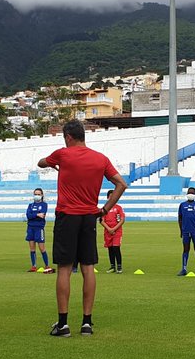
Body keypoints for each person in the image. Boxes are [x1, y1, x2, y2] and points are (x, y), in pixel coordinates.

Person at [38, 119, 127, 337]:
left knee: (65, 269)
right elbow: (121, 184)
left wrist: (52, 163)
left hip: (67, 216)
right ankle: (87, 323)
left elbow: (41, 162)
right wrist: (105, 209)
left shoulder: (63, 154)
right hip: (89, 217)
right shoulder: (100, 158)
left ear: (68, 137)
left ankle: (63, 324)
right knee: (88, 268)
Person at [178, 187, 195, 277]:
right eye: (189, 192)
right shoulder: (182, 205)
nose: (191, 194)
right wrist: (181, 230)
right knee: (185, 249)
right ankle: (184, 269)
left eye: (192, 193)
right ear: (187, 194)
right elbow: (180, 218)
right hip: (185, 231)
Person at [25, 188, 53, 272]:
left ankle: (47, 265)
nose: (37, 196)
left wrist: (34, 215)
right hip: (30, 228)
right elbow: (28, 216)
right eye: (35, 194)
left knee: (42, 248)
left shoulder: (44, 204)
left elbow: (43, 215)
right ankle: (33, 266)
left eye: (38, 194)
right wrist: (37, 214)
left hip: (39, 228)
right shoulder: (30, 205)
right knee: (32, 248)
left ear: (42, 195)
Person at [101, 189, 126, 273]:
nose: (112, 199)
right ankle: (112, 266)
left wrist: (114, 229)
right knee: (110, 248)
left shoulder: (118, 208)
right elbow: (101, 220)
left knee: (116, 248)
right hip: (107, 232)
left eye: (114, 197)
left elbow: (122, 220)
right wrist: (109, 229)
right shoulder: (105, 208)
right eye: (110, 197)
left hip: (117, 231)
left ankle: (119, 267)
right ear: (108, 197)